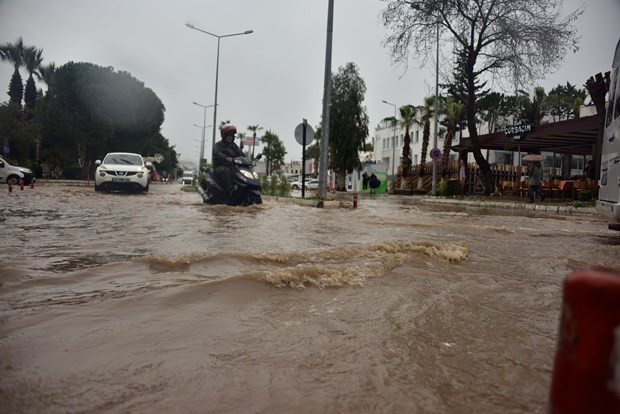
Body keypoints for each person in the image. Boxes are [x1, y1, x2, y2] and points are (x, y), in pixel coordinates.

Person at [213, 123, 243, 196]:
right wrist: (225, 157)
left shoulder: (234, 146)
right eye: (228, 135)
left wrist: (249, 160)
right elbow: (217, 153)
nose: (230, 137)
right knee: (227, 170)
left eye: (231, 135)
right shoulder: (218, 145)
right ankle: (230, 190)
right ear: (224, 136)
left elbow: (241, 154)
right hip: (220, 167)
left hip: (232, 167)